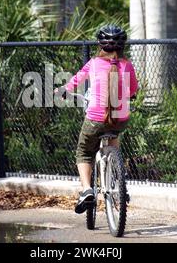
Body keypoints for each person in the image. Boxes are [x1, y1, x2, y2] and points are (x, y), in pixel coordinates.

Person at [58, 25, 139, 214]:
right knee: (114, 133)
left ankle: (87, 191)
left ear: (100, 45)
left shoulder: (94, 63)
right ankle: (118, 179)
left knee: (84, 152)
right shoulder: (127, 65)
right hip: (121, 118)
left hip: (95, 119)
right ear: (122, 46)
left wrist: (64, 90)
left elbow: (77, 79)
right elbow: (133, 90)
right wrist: (130, 94)